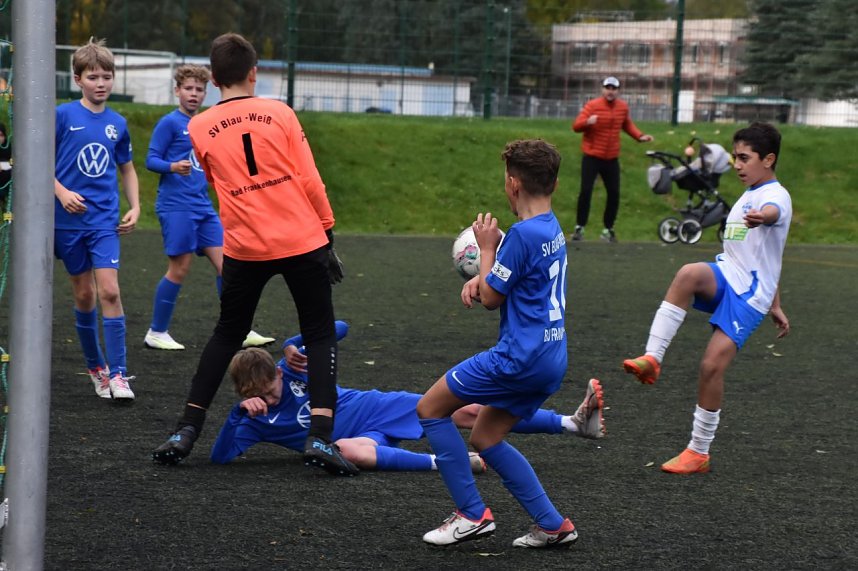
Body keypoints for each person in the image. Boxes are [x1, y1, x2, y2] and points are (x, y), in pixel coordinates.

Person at [151, 33, 352, 477]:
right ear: (253, 72)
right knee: (318, 334)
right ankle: (319, 436)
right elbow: (309, 178)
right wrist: (327, 232)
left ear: (214, 79)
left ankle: (187, 428)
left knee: (228, 332)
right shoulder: (279, 112)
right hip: (300, 237)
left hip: (244, 243)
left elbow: (217, 178)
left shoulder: (198, 126)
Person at [416, 139, 581, 549]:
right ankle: (552, 524)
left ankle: (471, 514)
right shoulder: (551, 227)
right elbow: (519, 284)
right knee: (486, 438)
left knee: (430, 409)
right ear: (554, 184)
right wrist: (485, 274)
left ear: (512, 184)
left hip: (517, 359)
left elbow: (492, 300)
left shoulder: (519, 236)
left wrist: (487, 248)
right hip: (551, 356)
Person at [623, 122, 791, 475]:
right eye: (735, 157)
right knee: (688, 273)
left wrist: (766, 217)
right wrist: (779, 303)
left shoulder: (775, 196)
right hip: (728, 276)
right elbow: (768, 255)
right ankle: (652, 359)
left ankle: (698, 452)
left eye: (745, 158)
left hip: (749, 297)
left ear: (769, 159)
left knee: (710, 367)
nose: (738, 164)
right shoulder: (746, 195)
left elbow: (773, 214)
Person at [211, 321, 605, 471]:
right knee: (348, 451)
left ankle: (573, 424)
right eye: (262, 394)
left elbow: (340, 327)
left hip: (373, 405)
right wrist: (237, 415)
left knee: (466, 411)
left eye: (273, 387)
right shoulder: (253, 417)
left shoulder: (292, 367)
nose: (272, 395)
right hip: (356, 437)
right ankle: (446, 462)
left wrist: (297, 344)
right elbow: (220, 458)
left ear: (277, 372)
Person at [143, 64, 274, 351]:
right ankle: (156, 331)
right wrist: (172, 166)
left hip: (203, 207)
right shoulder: (169, 123)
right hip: (176, 206)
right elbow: (150, 160)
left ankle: (238, 328)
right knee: (179, 268)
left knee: (228, 265)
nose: (193, 94)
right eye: (188, 88)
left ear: (207, 93)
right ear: (177, 91)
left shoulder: (204, 124)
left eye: (199, 89)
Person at [54, 38, 140, 401]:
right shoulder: (61, 115)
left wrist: (135, 206)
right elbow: (38, 159)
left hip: (104, 220)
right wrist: (60, 191)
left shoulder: (118, 123)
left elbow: (127, 168)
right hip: (66, 221)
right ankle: (96, 368)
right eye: (93, 77)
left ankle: (120, 376)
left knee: (109, 290)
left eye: (107, 76)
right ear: (78, 80)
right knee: (85, 293)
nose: (101, 83)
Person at [570, 76, 653, 242]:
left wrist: (640, 136)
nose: (610, 91)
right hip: (592, 156)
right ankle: (580, 228)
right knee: (586, 191)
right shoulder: (592, 105)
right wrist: (588, 122)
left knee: (614, 194)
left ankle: (608, 229)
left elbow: (627, 124)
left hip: (611, 158)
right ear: (602, 89)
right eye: (608, 88)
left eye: (614, 88)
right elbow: (576, 126)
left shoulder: (622, 107)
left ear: (618, 91)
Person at [0, 123, 11, 212]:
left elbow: (17, 165)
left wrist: (3, 165)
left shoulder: (9, 148)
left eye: (1, 135)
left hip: (6, 189)